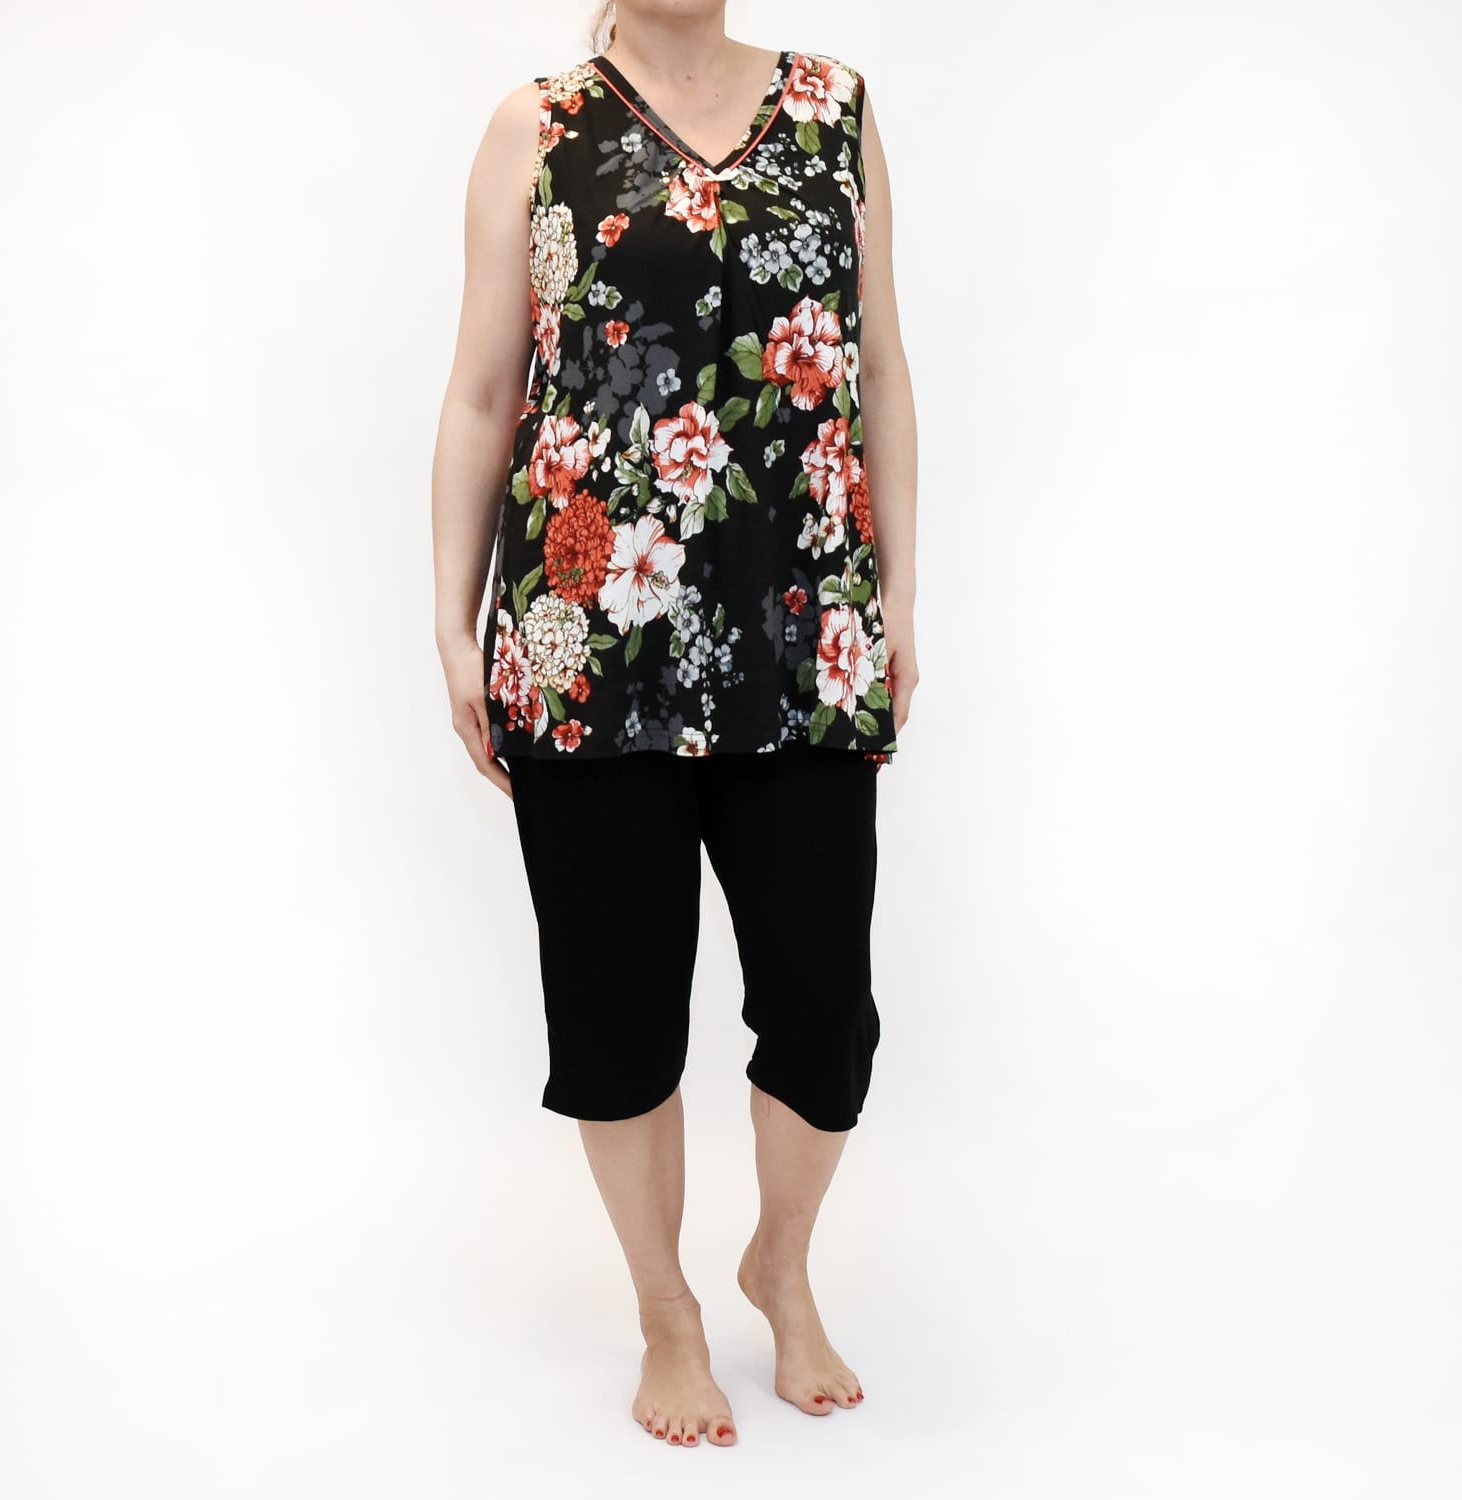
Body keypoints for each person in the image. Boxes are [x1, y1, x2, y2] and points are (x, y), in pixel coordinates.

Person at [431, 0, 919, 1450]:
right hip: (587, 647)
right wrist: (452, 622)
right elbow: (483, 393)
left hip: (805, 632)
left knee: (823, 1011)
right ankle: (667, 1311)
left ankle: (780, 1262)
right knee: (617, 1014)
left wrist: (898, 596)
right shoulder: (537, 126)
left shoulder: (834, 109)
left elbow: (881, 368)